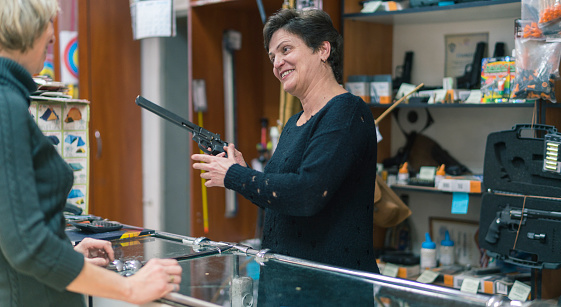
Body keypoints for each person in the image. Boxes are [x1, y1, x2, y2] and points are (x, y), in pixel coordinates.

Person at [0, 1, 182, 306]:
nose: (53, 36)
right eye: (47, 23)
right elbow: (27, 246)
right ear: (23, 26)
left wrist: (66, 256)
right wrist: (131, 288)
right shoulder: (5, 105)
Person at [192, 8, 379, 274]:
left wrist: (234, 176)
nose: (277, 63)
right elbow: (282, 197)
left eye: (286, 50)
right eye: (273, 56)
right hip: (285, 278)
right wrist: (243, 171)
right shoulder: (295, 122)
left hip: (330, 287)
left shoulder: (345, 112)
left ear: (323, 50)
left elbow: (307, 194)